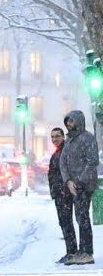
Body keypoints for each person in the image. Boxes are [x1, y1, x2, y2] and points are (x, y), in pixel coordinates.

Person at [58, 111, 98, 265]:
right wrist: (68, 180)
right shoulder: (69, 140)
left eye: (72, 121)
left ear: (79, 121)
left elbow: (92, 162)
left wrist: (79, 182)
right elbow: (63, 162)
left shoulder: (87, 138)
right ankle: (81, 251)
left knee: (83, 218)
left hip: (84, 185)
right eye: (68, 121)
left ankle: (87, 252)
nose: (69, 124)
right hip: (72, 185)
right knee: (79, 217)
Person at [48, 127, 75, 264]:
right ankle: (70, 251)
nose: (54, 139)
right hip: (59, 193)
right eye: (52, 137)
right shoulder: (57, 152)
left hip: (64, 193)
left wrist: (64, 189)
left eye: (57, 136)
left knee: (66, 222)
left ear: (63, 136)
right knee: (64, 222)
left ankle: (72, 252)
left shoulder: (64, 152)